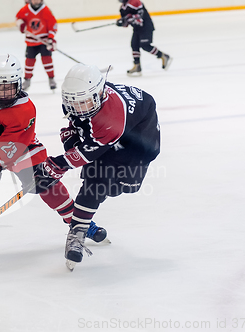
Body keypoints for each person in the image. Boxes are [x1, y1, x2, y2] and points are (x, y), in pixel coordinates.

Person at [0, 54, 107, 258]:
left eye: (8, 87)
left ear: (19, 83)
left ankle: (78, 222)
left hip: (22, 145)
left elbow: (8, 153)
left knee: (45, 182)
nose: (2, 93)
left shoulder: (24, 111)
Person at [34, 63, 160, 265]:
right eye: (74, 103)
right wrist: (72, 137)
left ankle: (81, 222)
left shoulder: (112, 118)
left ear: (99, 95)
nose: (78, 108)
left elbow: (86, 153)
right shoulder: (81, 100)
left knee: (123, 186)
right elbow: (81, 127)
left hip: (139, 136)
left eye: (83, 102)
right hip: (108, 129)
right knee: (95, 181)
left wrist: (55, 165)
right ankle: (77, 234)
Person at [116, 0, 172, 76]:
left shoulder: (135, 2)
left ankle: (163, 56)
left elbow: (140, 17)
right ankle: (137, 66)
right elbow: (126, 24)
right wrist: (122, 23)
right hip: (136, 29)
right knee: (134, 45)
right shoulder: (122, 9)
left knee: (145, 45)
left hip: (146, 27)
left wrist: (128, 18)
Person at [15, 0, 58, 91]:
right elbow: (18, 19)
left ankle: (51, 79)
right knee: (29, 62)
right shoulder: (25, 9)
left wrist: (51, 38)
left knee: (47, 61)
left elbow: (53, 25)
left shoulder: (46, 10)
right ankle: (27, 80)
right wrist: (20, 24)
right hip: (31, 42)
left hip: (44, 42)